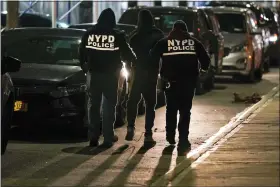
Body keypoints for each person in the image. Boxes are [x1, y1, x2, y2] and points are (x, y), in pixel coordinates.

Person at [79, 8, 136, 148]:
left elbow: (81, 52)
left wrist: (84, 66)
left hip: (93, 74)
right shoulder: (117, 34)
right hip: (111, 75)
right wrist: (132, 61)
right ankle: (108, 138)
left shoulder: (89, 33)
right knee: (109, 106)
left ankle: (93, 137)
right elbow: (129, 54)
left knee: (93, 106)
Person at [150, 20, 210, 153]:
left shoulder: (165, 42)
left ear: (173, 29)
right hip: (188, 83)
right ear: (186, 30)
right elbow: (206, 61)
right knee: (185, 111)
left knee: (171, 109)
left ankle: (170, 135)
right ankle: (183, 139)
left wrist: (157, 70)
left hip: (171, 83)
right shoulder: (194, 43)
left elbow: (152, 57)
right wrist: (202, 71)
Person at [125, 9, 164, 144]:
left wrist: (130, 70)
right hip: (152, 73)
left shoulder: (134, 35)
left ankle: (130, 126)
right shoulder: (158, 34)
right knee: (150, 104)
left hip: (138, 72)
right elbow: (164, 53)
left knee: (133, 101)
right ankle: (148, 134)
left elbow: (128, 55)